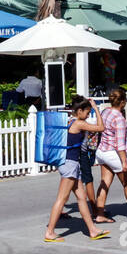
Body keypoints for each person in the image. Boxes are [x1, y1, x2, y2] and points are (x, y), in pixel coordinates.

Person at [43, 96, 110, 242]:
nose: (87, 116)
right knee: (61, 198)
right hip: (70, 164)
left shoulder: (69, 120)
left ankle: (92, 230)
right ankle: (50, 232)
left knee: (81, 198)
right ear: (79, 111)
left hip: (70, 163)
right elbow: (101, 127)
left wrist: (91, 107)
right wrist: (97, 108)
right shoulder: (79, 123)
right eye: (87, 112)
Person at [93, 87, 127, 223]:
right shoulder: (119, 119)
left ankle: (99, 213)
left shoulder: (106, 111)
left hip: (102, 151)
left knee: (104, 182)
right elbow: (120, 144)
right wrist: (124, 162)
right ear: (122, 102)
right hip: (114, 153)